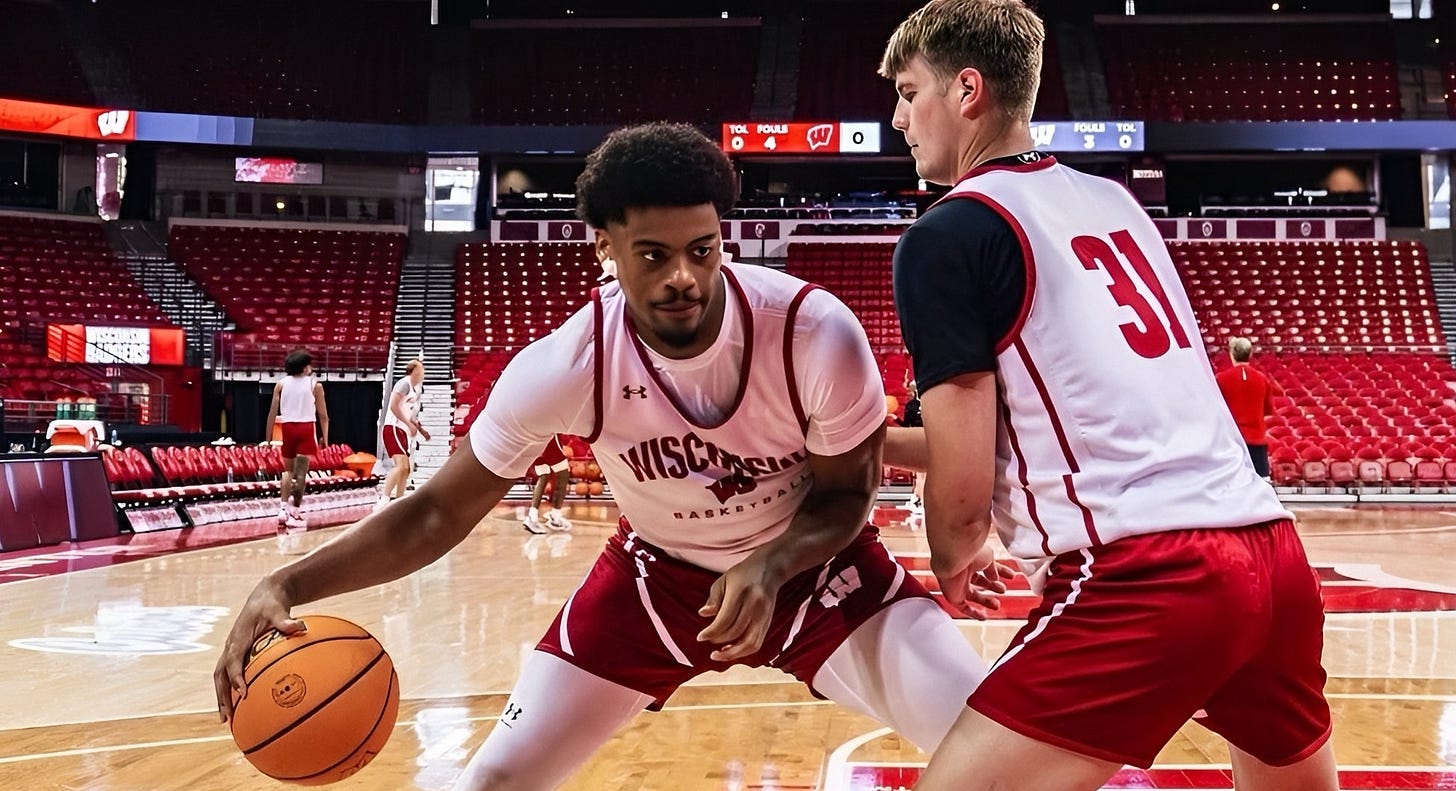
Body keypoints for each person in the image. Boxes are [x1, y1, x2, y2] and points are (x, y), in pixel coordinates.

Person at [213, 123, 1000, 791]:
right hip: (654, 582)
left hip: (819, 573)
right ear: (605, 248)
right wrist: (286, 580)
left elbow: (847, 491)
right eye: (653, 255)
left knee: (999, 752)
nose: (684, 277)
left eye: (702, 249)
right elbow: (437, 508)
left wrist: (771, 563)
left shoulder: (813, 331)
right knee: (493, 781)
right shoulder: (568, 362)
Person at [876, 2, 1338, 789]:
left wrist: (955, 555)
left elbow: (962, 478)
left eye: (909, 91)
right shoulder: (1116, 204)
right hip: (1271, 555)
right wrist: (866, 439)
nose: (897, 118)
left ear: (967, 89)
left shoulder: (948, 234)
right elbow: (1047, 424)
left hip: (1149, 573)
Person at [265, 349, 329, 530]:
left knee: (287, 472)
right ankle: (295, 511)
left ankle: (282, 509)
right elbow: (323, 416)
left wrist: (268, 438)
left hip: (288, 427)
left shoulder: (281, 384)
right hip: (306, 427)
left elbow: (272, 412)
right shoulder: (315, 385)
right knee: (301, 474)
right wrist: (326, 437)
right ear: (305, 367)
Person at [1215, 337, 1283, 478]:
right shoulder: (1262, 379)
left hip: (1232, 440)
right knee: (1261, 480)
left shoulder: (1221, 379)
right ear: (1250, 354)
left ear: (1232, 354)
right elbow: (1268, 410)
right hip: (1257, 439)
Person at [378, 359, 430, 508]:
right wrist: (408, 424)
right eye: (421, 370)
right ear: (414, 371)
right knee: (401, 466)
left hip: (402, 430)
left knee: (407, 469)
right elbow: (394, 406)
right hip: (392, 427)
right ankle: (383, 499)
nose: (423, 373)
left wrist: (421, 429)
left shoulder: (416, 389)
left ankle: (399, 501)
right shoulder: (404, 384)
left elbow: (411, 416)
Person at [521, 435, 572, 534]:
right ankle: (555, 517)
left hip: (532, 441)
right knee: (563, 474)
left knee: (544, 475)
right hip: (547, 437)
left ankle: (532, 517)